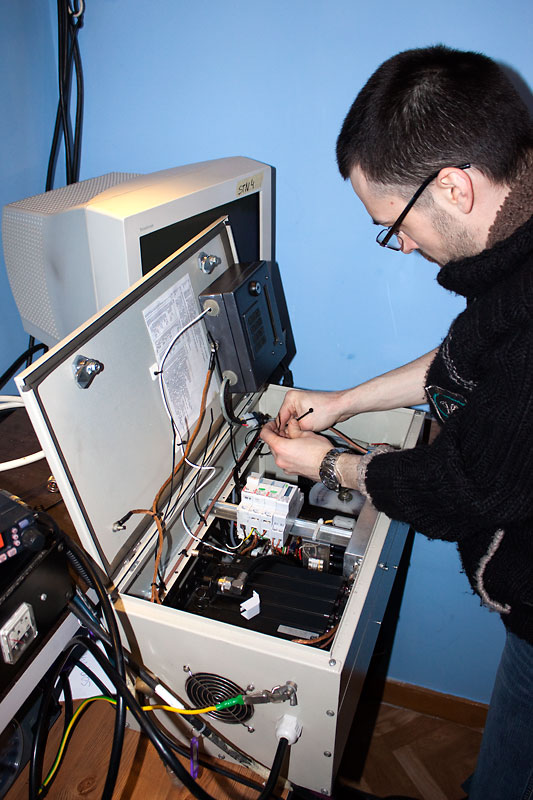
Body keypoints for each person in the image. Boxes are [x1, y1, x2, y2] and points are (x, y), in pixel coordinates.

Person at [261, 45, 533, 800]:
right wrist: (344, 402)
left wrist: (329, 465)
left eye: (395, 224)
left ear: (452, 185)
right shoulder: (514, 255)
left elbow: (464, 491)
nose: (403, 244)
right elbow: (470, 355)